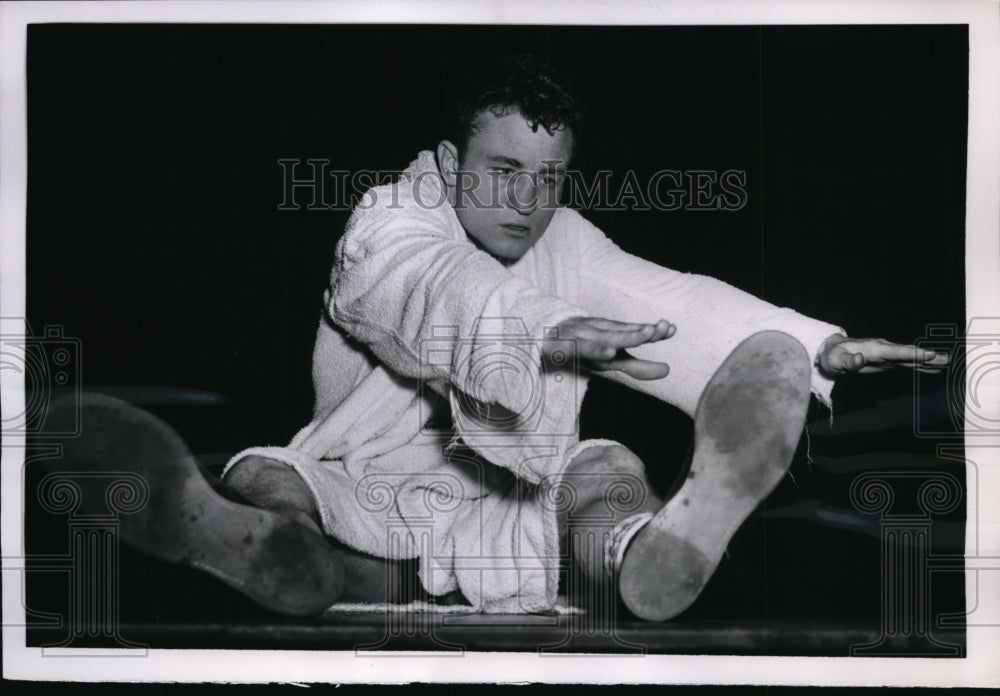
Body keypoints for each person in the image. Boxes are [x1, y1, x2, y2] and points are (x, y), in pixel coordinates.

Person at [48, 53, 948, 621]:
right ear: (450, 166)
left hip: (516, 503)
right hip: (363, 485)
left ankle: (644, 553)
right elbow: (424, 289)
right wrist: (544, 331)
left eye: (549, 178)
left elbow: (670, 298)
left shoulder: (566, 239)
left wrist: (807, 344)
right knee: (270, 475)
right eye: (504, 171)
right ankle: (264, 543)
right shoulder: (390, 217)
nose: (527, 201)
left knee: (604, 471)